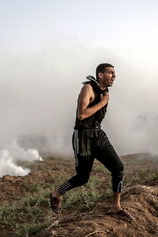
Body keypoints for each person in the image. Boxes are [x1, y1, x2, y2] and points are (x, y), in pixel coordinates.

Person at [50, 63, 135, 221]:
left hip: (98, 134)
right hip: (83, 136)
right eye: (110, 72)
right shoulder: (88, 88)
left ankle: (116, 207)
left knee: (118, 168)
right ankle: (57, 193)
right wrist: (102, 103)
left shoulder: (105, 91)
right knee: (82, 178)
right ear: (100, 75)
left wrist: (103, 102)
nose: (114, 76)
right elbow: (81, 115)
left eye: (115, 73)